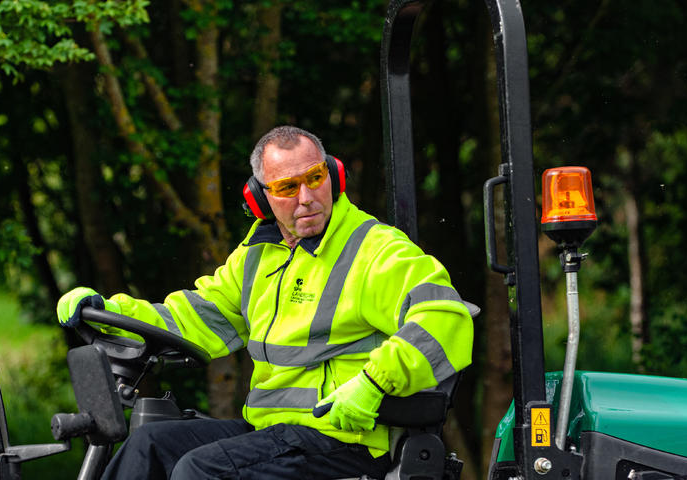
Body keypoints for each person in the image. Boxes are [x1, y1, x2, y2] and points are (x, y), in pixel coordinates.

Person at [57, 125, 474, 479]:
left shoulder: (376, 250)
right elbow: (195, 318)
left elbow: (444, 316)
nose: (306, 197)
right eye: (287, 187)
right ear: (260, 197)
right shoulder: (257, 257)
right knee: (147, 443)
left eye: (314, 178)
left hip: (345, 437)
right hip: (273, 431)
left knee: (199, 471)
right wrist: (109, 313)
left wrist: (373, 383)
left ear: (334, 175)